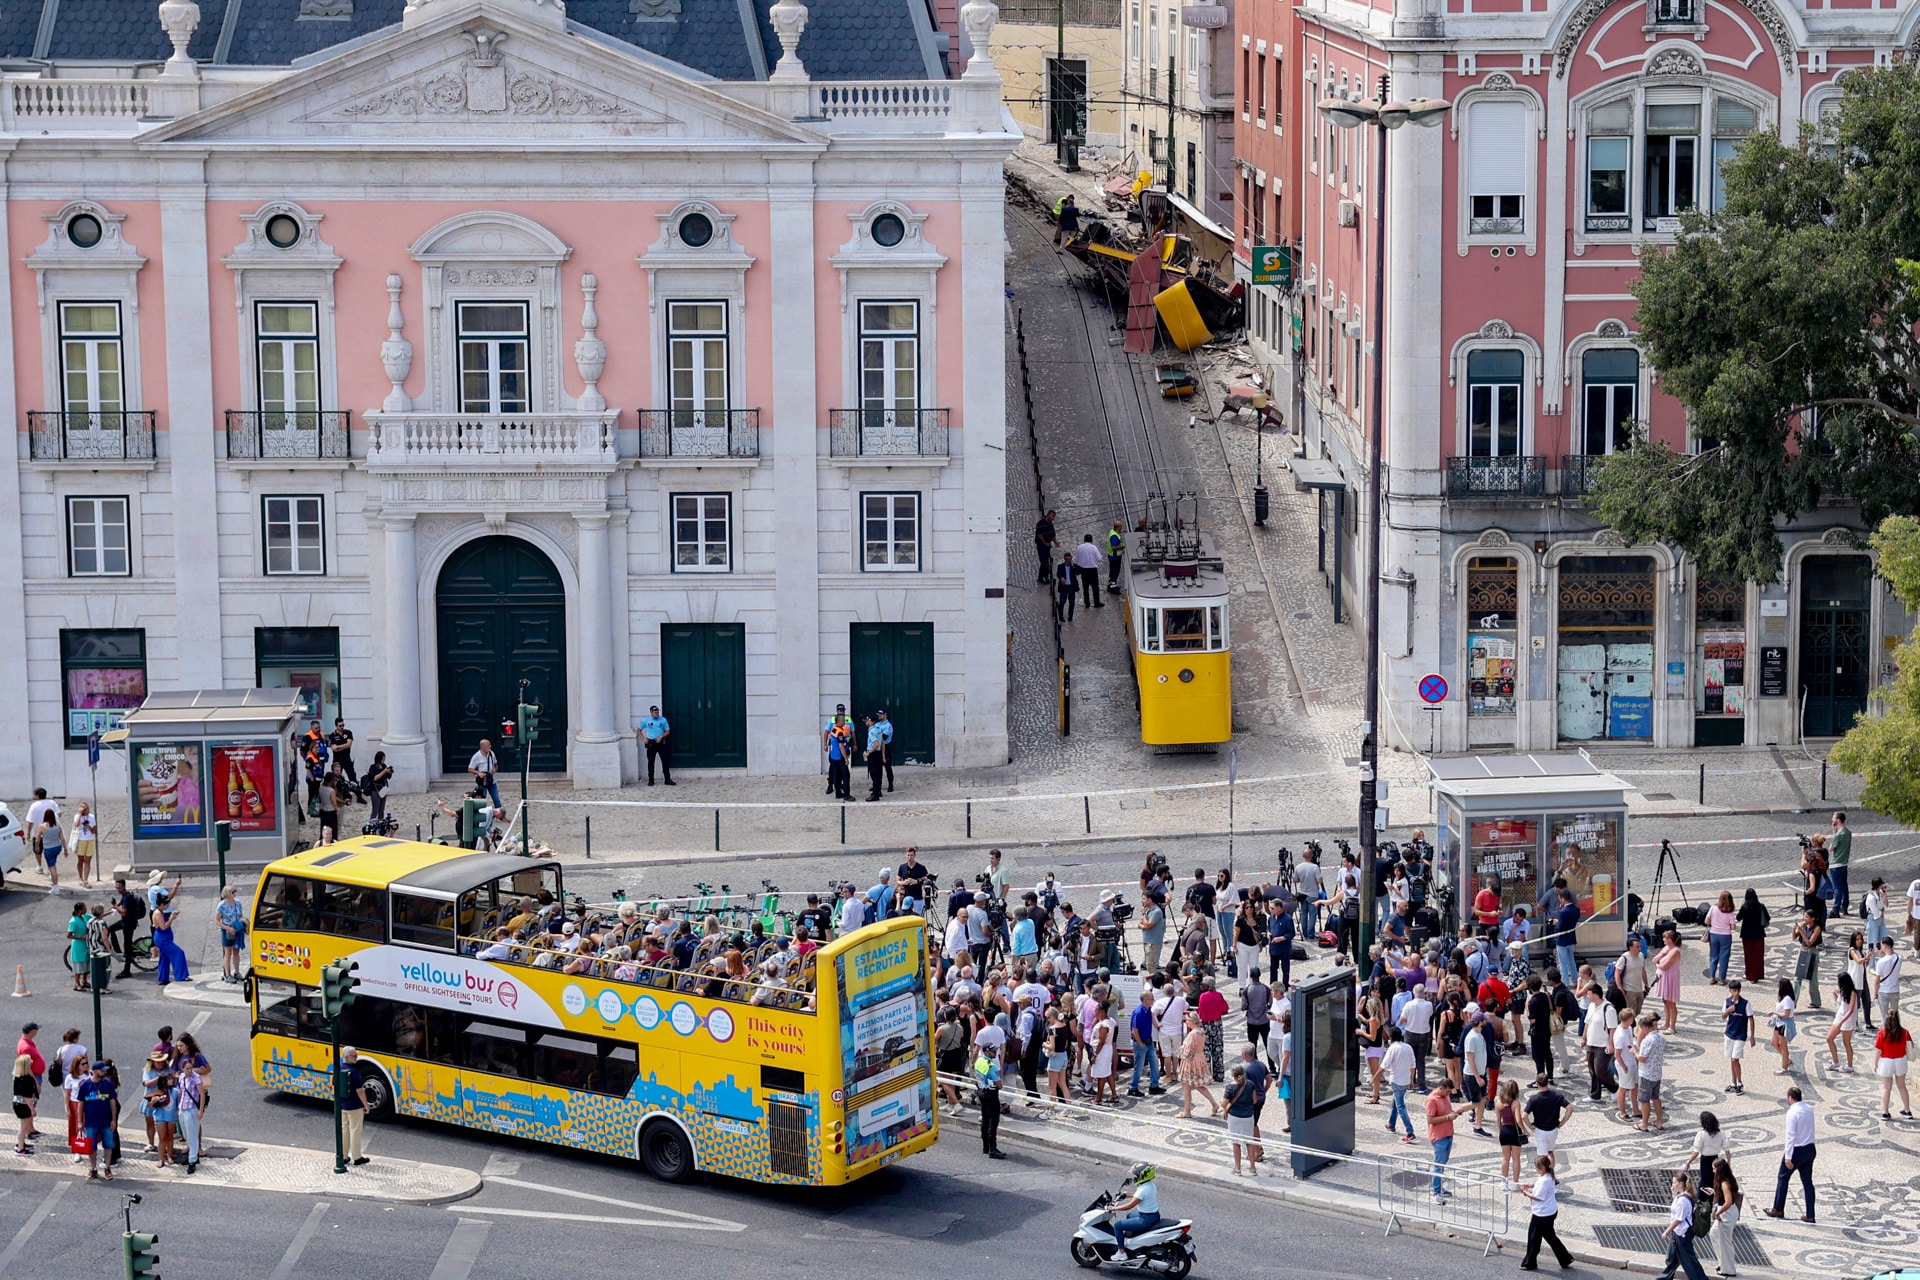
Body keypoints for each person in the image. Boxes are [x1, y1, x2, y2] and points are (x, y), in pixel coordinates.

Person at [1764, 1086, 1816, 1222]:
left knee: (1783, 1178)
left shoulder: (1793, 1112)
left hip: (1796, 1150)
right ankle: (1810, 1214)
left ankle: (1778, 1209)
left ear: (1790, 1098)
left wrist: (1788, 1156)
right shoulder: (1809, 1109)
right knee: (1807, 1182)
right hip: (1809, 1148)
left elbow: (1790, 1135)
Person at [1518, 1153, 1574, 1271]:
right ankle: (1565, 1258)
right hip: (1549, 1212)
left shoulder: (1545, 1180)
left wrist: (1524, 1192)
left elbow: (1538, 1197)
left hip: (1542, 1214)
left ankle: (1530, 1262)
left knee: (1534, 1238)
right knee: (1549, 1236)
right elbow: (1540, 1185)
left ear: (1542, 1168)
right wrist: (1531, 1185)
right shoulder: (1548, 1175)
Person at [1655, 1172, 1710, 1280]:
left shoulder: (1683, 1200)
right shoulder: (1681, 1197)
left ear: (1680, 1184)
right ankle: (1664, 1277)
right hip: (1678, 1232)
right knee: (1672, 1257)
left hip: (1682, 1233)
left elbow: (1679, 1219)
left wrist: (1667, 1231)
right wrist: (1674, 1193)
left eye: (1674, 1182)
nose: (1672, 1185)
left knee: (1689, 1260)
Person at [1425, 1077, 1468, 1203]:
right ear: (1441, 1088)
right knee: (1438, 1165)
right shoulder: (1432, 1100)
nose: (1449, 1094)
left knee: (1443, 1163)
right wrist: (1448, 1117)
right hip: (1439, 1136)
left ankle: (1439, 1187)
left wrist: (1454, 1112)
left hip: (1448, 1133)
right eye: (1448, 1092)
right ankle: (1436, 1192)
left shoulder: (1445, 1096)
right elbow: (1430, 1120)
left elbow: (1446, 1112)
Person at [1109, 1162, 1162, 1258]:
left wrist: (1114, 1208)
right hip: (1154, 1215)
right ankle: (1133, 1242)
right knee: (1130, 1216)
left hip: (1145, 1219)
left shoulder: (1143, 1190)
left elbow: (1129, 1206)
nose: (1135, 1177)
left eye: (1136, 1175)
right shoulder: (1150, 1185)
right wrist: (1131, 1195)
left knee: (1118, 1226)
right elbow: (1143, 1197)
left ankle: (1121, 1252)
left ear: (1143, 1175)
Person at [76, 1061, 118, 1180]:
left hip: (106, 1120)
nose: (104, 1072)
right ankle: (93, 1168)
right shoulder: (85, 1085)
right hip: (91, 1122)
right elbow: (81, 1104)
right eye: (102, 1070)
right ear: (95, 1071)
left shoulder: (108, 1084)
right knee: (91, 1146)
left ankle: (107, 1167)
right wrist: (80, 1121)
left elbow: (112, 1102)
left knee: (108, 1145)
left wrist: (114, 1120)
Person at [1175, 1011, 1218, 1118]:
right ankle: (1214, 1104)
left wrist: (1180, 1054)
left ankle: (1187, 1111)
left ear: (1193, 1021)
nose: (1186, 1022)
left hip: (1191, 1061)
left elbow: (1188, 1050)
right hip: (1199, 1058)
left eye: (1187, 1020)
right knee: (1198, 1084)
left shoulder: (1193, 1034)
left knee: (1186, 1085)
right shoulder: (1201, 1032)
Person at [1584, 984, 1619, 1101]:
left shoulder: (1608, 1009)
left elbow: (1612, 1028)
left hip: (1602, 1044)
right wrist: (1584, 1037)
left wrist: (1611, 1044)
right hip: (1591, 1042)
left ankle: (1614, 1088)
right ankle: (1595, 1094)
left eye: (1589, 994)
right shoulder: (1591, 1006)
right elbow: (1587, 1022)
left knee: (1600, 1070)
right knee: (1592, 1070)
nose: (1587, 997)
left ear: (1595, 995)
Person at [1876, 1008, 1913, 1120]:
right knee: (1902, 1087)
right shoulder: (1905, 1032)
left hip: (1886, 1061)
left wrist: (1875, 1063)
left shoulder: (1882, 1032)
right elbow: (1910, 1046)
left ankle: (1885, 1112)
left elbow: (1879, 1050)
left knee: (1886, 1088)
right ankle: (1907, 1111)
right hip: (1900, 1061)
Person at [1709, 1159, 1744, 1279]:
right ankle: (1723, 1264)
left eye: (1714, 1168)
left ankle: (1728, 1269)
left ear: (1718, 1170)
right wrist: (1714, 1191)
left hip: (1727, 1214)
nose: (1713, 1170)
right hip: (1729, 1212)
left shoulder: (1724, 1183)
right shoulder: (1728, 1181)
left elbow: (1728, 1202)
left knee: (1725, 1242)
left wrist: (1718, 1212)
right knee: (1714, 1235)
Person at [1382, 1026, 1417, 1142]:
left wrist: (1374, 1079)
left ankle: (1410, 1131)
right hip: (1406, 1080)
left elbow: (1384, 1066)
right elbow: (1413, 1065)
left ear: (1391, 1038)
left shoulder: (1393, 1048)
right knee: (1395, 1102)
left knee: (1400, 1106)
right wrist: (1411, 1080)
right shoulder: (1408, 1047)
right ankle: (1391, 1124)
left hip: (1397, 1081)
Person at [1224, 1064, 1259, 1175]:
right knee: (1250, 1141)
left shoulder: (1230, 1087)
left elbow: (1223, 1103)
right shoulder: (1250, 1084)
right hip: (1248, 1116)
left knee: (1236, 1143)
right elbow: (1254, 1101)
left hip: (1234, 1117)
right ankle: (1253, 1167)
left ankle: (1238, 1168)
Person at [339, 1046, 371, 1165]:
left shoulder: (339, 1068)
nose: (356, 1057)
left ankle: (343, 1156)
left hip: (343, 1106)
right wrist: (366, 1105)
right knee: (355, 1131)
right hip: (355, 1106)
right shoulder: (353, 1072)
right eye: (354, 1055)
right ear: (347, 1057)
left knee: (344, 1131)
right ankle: (357, 1157)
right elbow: (360, 1091)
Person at [1525, 1080, 1570, 1165]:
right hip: (1553, 1130)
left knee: (1542, 1156)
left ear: (1537, 1084)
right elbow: (1570, 1108)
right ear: (1547, 1083)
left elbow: (1524, 1115)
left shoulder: (1534, 1099)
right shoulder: (1557, 1096)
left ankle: (1544, 1174)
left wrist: (1530, 1125)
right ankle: (1551, 1172)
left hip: (1540, 1131)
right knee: (1550, 1152)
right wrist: (1563, 1122)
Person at [1127, 989, 1162, 1097]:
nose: (1153, 1001)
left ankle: (1154, 1086)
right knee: (1139, 1066)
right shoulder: (1139, 1012)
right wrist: (1140, 1043)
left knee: (1155, 1064)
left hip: (1148, 1041)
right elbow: (1134, 1030)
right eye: (1151, 999)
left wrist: (1157, 1026)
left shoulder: (1148, 1010)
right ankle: (1133, 1088)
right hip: (1141, 1043)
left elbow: (1151, 1017)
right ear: (1146, 1000)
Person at [1635, 1013, 1667, 1132]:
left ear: (1645, 1027)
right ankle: (1659, 1121)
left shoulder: (1647, 1040)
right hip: (1657, 1072)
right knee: (1656, 1098)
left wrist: (1635, 1052)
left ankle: (1644, 1123)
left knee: (1644, 1100)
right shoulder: (1661, 1038)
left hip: (1646, 1073)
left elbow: (1642, 1058)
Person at [1722, 979, 1754, 1095]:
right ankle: (1733, 1083)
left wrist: (1752, 1036)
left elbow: (1751, 1018)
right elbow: (1723, 1017)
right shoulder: (1726, 1002)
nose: (1735, 993)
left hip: (1740, 1035)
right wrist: (1728, 1011)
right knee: (1732, 1059)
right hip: (1729, 1034)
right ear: (1730, 990)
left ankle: (1740, 1083)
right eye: (1733, 990)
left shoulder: (1745, 1004)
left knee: (1736, 1059)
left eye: (1737, 990)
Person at [151, 888, 189, 986]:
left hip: (163, 937)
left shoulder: (159, 911)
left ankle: (163, 978)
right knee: (179, 953)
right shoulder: (158, 913)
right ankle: (181, 976)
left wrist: (171, 917)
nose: (168, 906)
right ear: (162, 905)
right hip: (162, 938)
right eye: (166, 905)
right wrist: (171, 918)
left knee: (164, 957)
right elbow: (163, 927)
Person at [1495, 1078, 1529, 1183]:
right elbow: (1518, 1120)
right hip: (1514, 1131)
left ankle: (1503, 1181)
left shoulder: (1498, 1103)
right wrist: (1524, 1131)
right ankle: (1515, 1181)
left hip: (1504, 1130)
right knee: (1516, 1158)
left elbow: (1498, 1120)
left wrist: (1501, 1131)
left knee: (1505, 1158)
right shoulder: (1516, 1103)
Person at [1826, 971, 1860, 1072]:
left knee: (1846, 1042)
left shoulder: (1853, 993)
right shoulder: (1842, 991)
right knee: (1829, 1038)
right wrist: (1835, 995)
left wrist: (1841, 1022)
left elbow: (1850, 1010)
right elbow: (1840, 1005)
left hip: (1847, 1020)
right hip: (1839, 1017)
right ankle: (1835, 1062)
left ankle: (1850, 1065)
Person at [1791, 909, 1824, 1011]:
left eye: (1807, 917)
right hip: (1803, 952)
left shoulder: (1817, 928)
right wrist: (1795, 929)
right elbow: (1794, 937)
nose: (1805, 919)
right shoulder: (1803, 925)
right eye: (1804, 916)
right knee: (1797, 978)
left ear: (1812, 918)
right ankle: (1793, 1002)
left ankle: (1816, 1001)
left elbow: (1810, 942)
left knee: (1812, 979)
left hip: (1812, 952)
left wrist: (1801, 931)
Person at [1736, 890, 1771, 985]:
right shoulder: (1760, 906)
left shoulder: (1745, 907)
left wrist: (1741, 906)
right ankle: (1755, 976)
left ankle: (1748, 974)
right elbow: (1768, 918)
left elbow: (1738, 918)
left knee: (1748, 955)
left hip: (1746, 934)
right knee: (1757, 955)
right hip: (1758, 934)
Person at [823, 705, 855, 801]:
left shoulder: (834, 729)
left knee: (836, 775)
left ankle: (837, 793)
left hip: (833, 756)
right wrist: (845, 758)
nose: (845, 722)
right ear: (840, 721)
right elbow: (841, 746)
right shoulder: (840, 732)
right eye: (843, 721)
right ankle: (846, 794)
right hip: (839, 756)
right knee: (846, 775)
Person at [638, 706, 675, 786]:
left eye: (657, 712)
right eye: (655, 712)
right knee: (651, 762)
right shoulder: (646, 720)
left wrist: (661, 736)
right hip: (651, 743)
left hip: (661, 742)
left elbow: (667, 731)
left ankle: (667, 779)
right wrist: (643, 739)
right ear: (651, 712)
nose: (657, 714)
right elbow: (639, 730)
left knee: (665, 761)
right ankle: (651, 780)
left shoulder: (663, 720)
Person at [1705, 892, 1737, 986]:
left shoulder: (1713, 908)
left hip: (1713, 934)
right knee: (1724, 957)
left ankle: (1712, 977)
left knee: (1713, 956)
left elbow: (1706, 920)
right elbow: (1733, 927)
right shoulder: (1730, 913)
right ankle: (1722, 979)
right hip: (1725, 936)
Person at [11, 1052, 38, 1155]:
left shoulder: (18, 1076)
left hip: (18, 1103)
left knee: (24, 1126)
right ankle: (20, 1149)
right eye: (29, 1061)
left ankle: (21, 1143)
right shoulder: (25, 1079)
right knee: (24, 1128)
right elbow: (26, 1097)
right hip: (23, 1105)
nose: (31, 1062)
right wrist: (32, 1109)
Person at [1617, 934, 1651, 1017]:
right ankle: (1628, 1028)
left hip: (1639, 988)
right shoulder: (1624, 958)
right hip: (1629, 989)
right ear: (1630, 947)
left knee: (1638, 1011)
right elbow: (1617, 973)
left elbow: (1643, 971)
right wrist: (1620, 988)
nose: (1640, 949)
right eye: (1637, 947)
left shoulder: (1641, 956)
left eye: (1640, 946)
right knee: (1631, 1013)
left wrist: (1646, 984)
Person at [1872, 936, 1904, 1023]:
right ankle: (1896, 1034)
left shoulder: (1881, 962)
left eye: (1882, 945)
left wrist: (1875, 995)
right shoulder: (1899, 958)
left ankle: (1886, 1034)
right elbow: (1894, 956)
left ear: (1885, 946)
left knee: (1884, 1016)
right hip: (1895, 990)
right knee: (1895, 1016)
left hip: (1884, 991)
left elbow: (1877, 981)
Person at [1769, 978, 1797, 1074]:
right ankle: (1786, 1060)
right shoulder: (1782, 997)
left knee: (1783, 1045)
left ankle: (1784, 1067)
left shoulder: (1788, 999)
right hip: (1779, 1022)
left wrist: (1774, 1012)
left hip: (1785, 1024)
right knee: (1774, 1042)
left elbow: (1786, 1014)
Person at [1829, 811, 1852, 916]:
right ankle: (1844, 907)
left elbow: (1831, 848)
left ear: (1838, 820)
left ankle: (1836, 909)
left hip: (1836, 864)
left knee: (1837, 888)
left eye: (1833, 818)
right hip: (1844, 864)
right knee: (1844, 886)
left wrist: (1834, 833)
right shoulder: (1848, 832)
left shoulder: (1838, 835)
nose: (1832, 820)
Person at [466, 738, 501, 809]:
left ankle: (500, 813)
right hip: (482, 781)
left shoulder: (491, 753)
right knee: (482, 799)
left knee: (496, 798)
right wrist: (478, 773)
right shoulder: (476, 756)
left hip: (491, 780)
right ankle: (482, 812)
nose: (490, 746)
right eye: (488, 745)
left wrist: (495, 769)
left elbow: (496, 763)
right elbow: (470, 769)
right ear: (482, 746)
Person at [1073, 534, 1104, 608]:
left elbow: (1076, 560)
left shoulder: (1080, 547)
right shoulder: (1094, 548)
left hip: (1083, 570)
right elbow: (1099, 558)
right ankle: (1096, 602)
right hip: (1092, 570)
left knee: (1085, 587)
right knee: (1095, 587)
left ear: (1084, 540)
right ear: (1091, 540)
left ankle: (1087, 603)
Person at [70, 802, 96, 889]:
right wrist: (80, 814)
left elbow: (95, 830)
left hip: (90, 839)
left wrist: (90, 828)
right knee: (81, 860)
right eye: (84, 809)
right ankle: (80, 877)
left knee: (88, 860)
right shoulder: (77, 816)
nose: (86, 810)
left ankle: (86, 879)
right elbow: (76, 824)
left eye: (87, 808)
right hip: (81, 839)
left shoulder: (91, 817)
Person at [362, 751, 393, 824]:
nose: (384, 760)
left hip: (383, 789)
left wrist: (389, 772)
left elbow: (388, 777)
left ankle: (381, 824)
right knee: (375, 809)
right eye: (382, 759)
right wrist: (384, 772)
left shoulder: (384, 766)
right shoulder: (373, 767)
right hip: (375, 790)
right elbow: (375, 778)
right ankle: (371, 824)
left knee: (381, 809)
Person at [863, 714, 888, 802]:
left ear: (870, 722)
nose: (866, 723)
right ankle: (878, 790)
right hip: (878, 754)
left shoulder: (872, 732)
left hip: (873, 754)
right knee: (878, 774)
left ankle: (875, 794)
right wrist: (883, 755)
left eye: (867, 721)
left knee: (874, 774)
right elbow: (882, 743)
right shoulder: (878, 730)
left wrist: (868, 753)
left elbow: (876, 744)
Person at [1140, 892, 1167, 976]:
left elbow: (1148, 925)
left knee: (1150, 964)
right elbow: (1140, 924)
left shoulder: (1156, 912)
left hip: (1153, 942)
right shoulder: (1149, 910)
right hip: (1147, 940)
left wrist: (1144, 915)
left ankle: (1156, 981)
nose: (1142, 901)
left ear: (1150, 899)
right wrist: (1144, 925)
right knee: (1149, 964)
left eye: (1144, 899)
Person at [66, 903, 90, 992]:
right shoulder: (73, 921)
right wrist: (80, 937)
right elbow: (69, 935)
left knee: (86, 963)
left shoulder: (84, 917)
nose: (86, 909)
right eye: (84, 908)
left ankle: (84, 980)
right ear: (80, 910)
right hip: (78, 945)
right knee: (79, 965)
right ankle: (77, 983)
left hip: (85, 944)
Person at [873, 709, 896, 794]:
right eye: (878, 714)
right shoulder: (877, 724)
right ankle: (877, 785)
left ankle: (890, 784)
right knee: (877, 768)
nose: (879, 716)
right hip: (877, 746)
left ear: (885, 715)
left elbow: (883, 737)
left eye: (881, 714)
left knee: (887, 767)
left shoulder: (888, 726)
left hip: (886, 747)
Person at [1034, 508, 1058, 584]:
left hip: (1048, 546)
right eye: (1052, 516)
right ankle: (1044, 577)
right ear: (1048, 515)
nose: (1053, 518)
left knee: (1046, 562)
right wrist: (1045, 543)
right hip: (1041, 545)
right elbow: (1039, 535)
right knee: (1043, 561)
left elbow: (1053, 535)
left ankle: (1042, 576)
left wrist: (1056, 542)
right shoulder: (1041, 523)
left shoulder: (1050, 524)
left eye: (1054, 517)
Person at [1055, 551, 1078, 621]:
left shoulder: (1074, 566)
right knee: (1062, 602)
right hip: (1064, 587)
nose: (1068, 561)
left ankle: (1070, 616)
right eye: (1067, 559)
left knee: (1072, 602)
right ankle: (1060, 616)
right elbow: (1058, 574)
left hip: (1071, 587)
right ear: (1064, 559)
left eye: (1069, 559)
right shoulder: (1060, 566)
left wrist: (1073, 566)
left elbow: (1078, 572)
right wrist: (1061, 578)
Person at [1106, 521, 1125, 592]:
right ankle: (1113, 585)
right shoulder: (1114, 536)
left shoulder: (1112, 532)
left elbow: (1116, 534)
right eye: (1121, 527)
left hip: (1111, 555)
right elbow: (1114, 547)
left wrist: (1121, 531)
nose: (1121, 528)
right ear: (1118, 527)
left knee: (1112, 570)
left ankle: (1111, 581)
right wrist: (1122, 546)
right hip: (1115, 556)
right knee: (1115, 570)